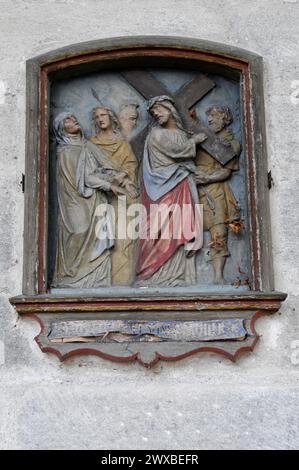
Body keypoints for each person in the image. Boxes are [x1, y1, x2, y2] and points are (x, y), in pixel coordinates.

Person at [136, 95, 205, 287]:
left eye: (158, 109)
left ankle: (176, 275)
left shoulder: (180, 133)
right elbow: (179, 151)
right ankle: (150, 274)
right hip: (161, 188)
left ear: (169, 108)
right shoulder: (157, 134)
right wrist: (195, 142)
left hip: (179, 185)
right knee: (158, 230)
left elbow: (180, 148)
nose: (155, 114)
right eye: (152, 113)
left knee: (179, 227)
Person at [52, 112, 126, 288]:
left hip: (95, 201)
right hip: (76, 204)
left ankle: (97, 281)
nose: (74, 120)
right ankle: (71, 279)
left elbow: (98, 169)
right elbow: (86, 178)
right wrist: (110, 186)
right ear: (61, 129)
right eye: (68, 120)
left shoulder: (86, 146)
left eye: (73, 117)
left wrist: (114, 175)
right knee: (78, 233)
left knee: (98, 239)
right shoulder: (66, 151)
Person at [90, 106, 138, 285]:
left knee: (123, 238)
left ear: (111, 117)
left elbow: (131, 165)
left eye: (103, 115)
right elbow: (90, 170)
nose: (100, 119)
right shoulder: (91, 143)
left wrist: (124, 176)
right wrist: (109, 179)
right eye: (96, 117)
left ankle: (122, 282)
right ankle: (102, 281)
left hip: (123, 196)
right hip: (101, 197)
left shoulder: (122, 144)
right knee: (103, 237)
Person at [195, 105, 241, 284]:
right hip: (194, 188)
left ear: (225, 118)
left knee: (218, 232)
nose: (211, 120)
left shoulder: (231, 143)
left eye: (215, 115)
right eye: (209, 116)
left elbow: (226, 171)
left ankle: (217, 276)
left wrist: (206, 178)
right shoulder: (204, 138)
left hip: (215, 191)